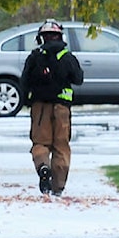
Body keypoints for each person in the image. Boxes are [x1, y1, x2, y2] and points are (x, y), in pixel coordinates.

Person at [19, 19, 84, 196]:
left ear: (41, 38)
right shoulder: (67, 57)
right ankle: (58, 186)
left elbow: (24, 82)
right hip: (62, 108)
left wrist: (27, 101)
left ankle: (43, 167)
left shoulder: (34, 57)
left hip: (40, 108)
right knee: (61, 146)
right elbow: (78, 78)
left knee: (40, 143)